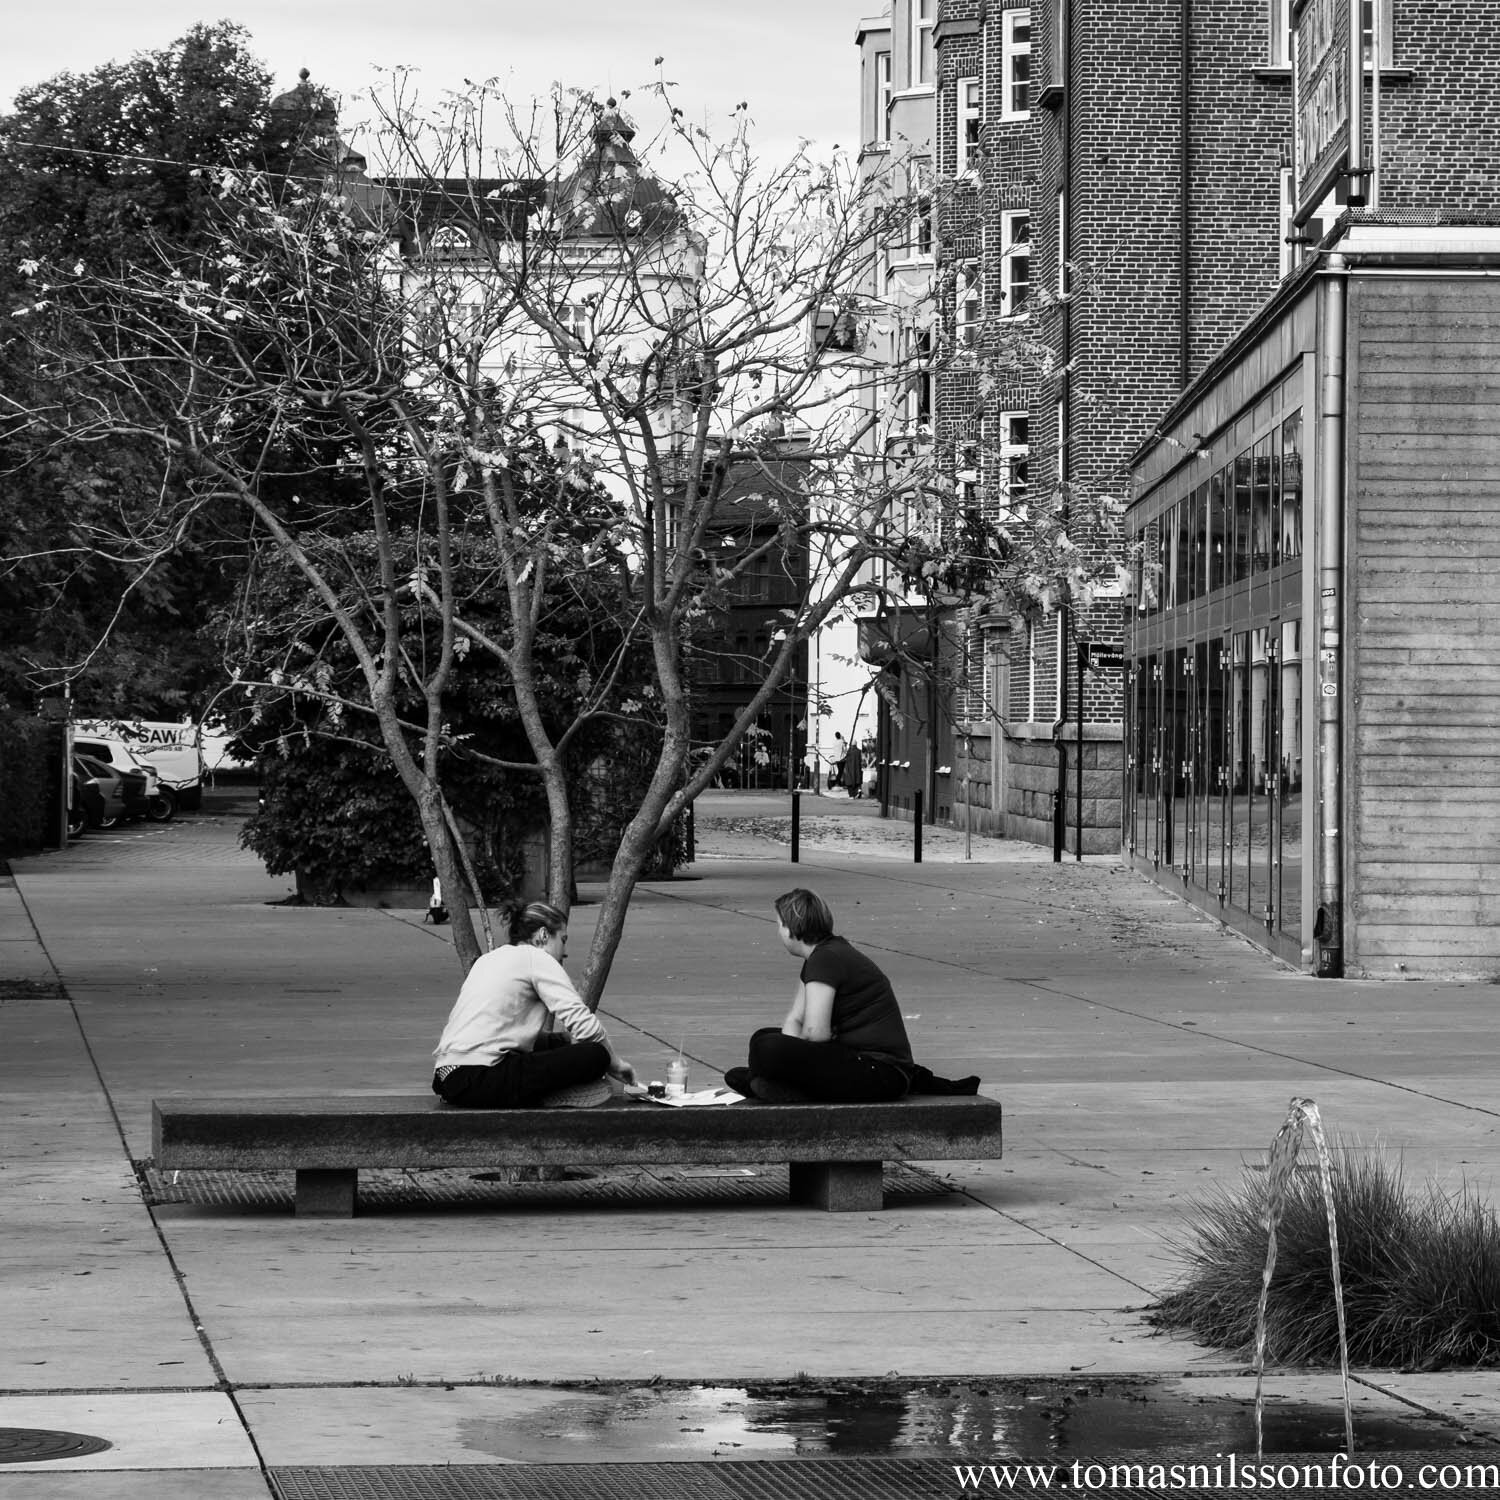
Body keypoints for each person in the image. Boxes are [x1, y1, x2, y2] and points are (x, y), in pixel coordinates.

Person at [724, 888, 979, 1104]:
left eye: (779, 925)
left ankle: (781, 1087)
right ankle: (777, 1085)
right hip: (855, 1059)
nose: (778, 932)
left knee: (766, 1049)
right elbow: (795, 1020)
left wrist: (788, 1052)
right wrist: (792, 1051)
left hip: (880, 1072)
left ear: (793, 928)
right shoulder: (820, 956)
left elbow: (816, 1033)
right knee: (763, 1040)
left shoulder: (826, 958)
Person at [431, 901, 636, 1107]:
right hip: (481, 1078)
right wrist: (615, 1063)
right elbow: (583, 1024)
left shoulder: (488, 959)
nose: (564, 952)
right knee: (595, 1054)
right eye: (563, 940)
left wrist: (565, 1041)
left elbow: (501, 1034)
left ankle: (544, 1089)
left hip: (448, 1078)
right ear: (544, 935)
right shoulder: (536, 957)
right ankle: (550, 1094)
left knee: (560, 1042)